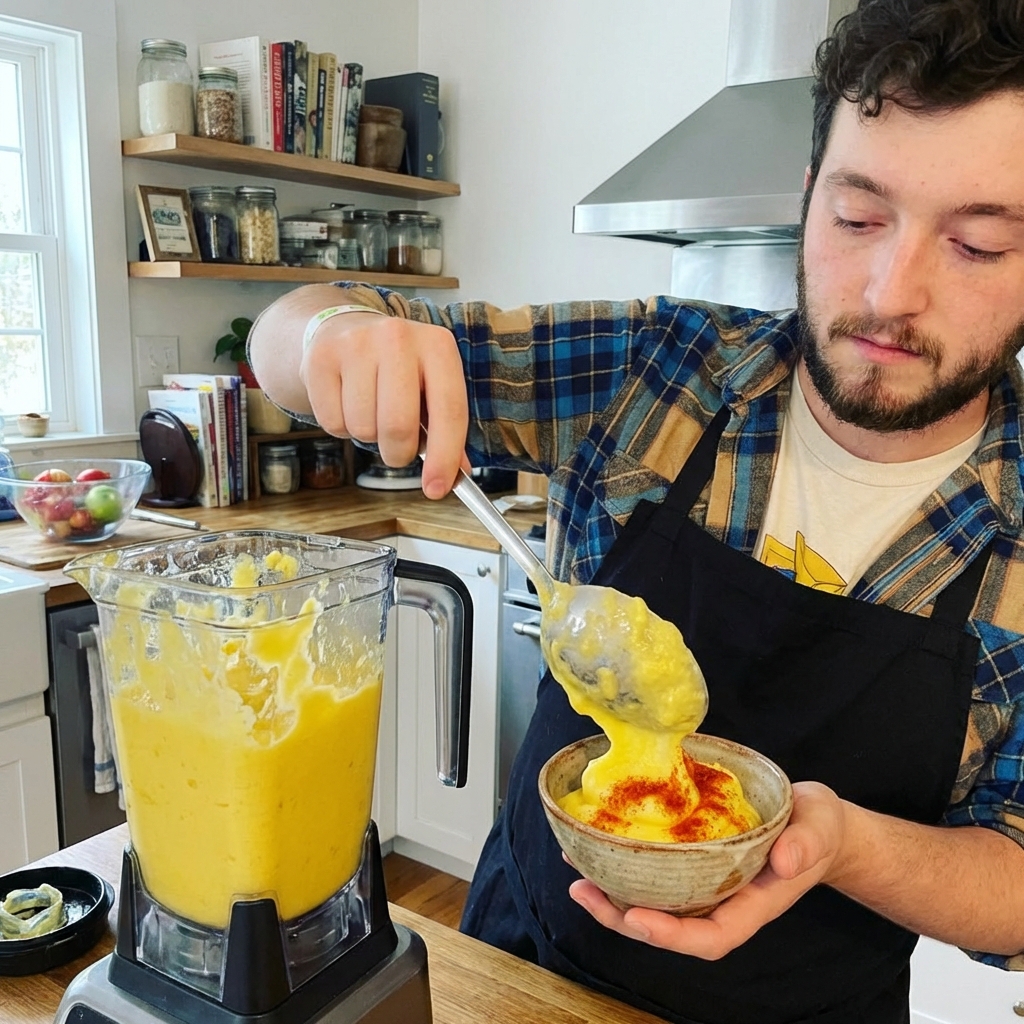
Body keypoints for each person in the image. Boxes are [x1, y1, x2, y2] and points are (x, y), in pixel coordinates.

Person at [248, 1, 1024, 1020]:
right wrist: (332, 334)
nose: (890, 290)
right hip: (518, 970)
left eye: (975, 244)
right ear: (806, 200)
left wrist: (839, 842)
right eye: (857, 218)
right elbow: (287, 337)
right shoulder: (658, 368)